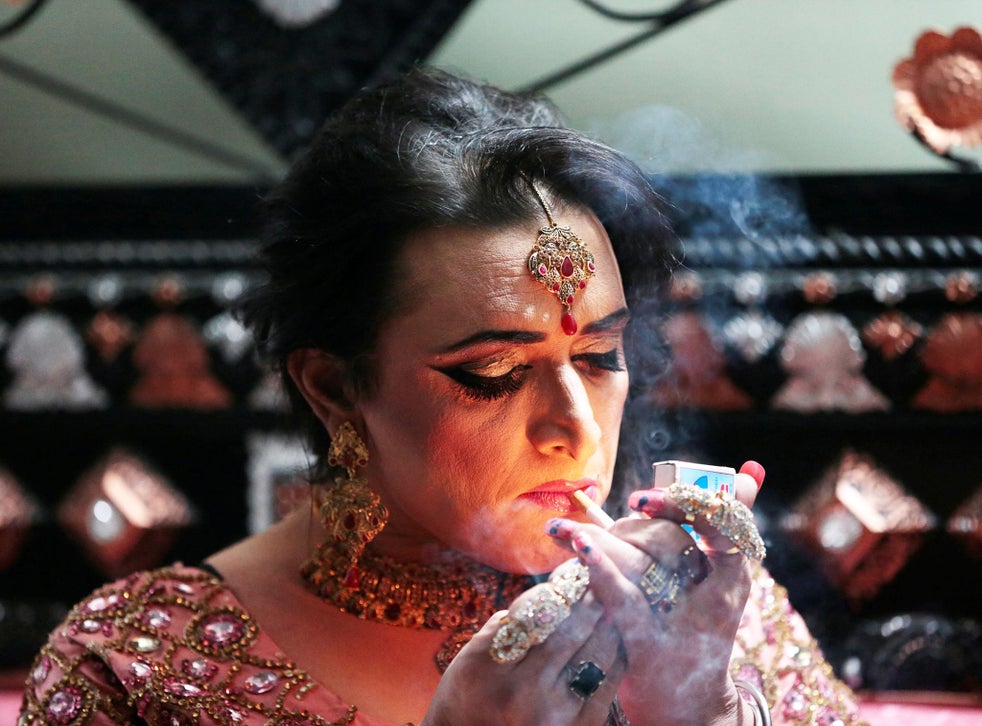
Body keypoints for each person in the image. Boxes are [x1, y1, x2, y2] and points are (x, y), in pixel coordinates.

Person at [19, 68, 865, 726]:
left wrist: (707, 713)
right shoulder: (134, 665)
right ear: (334, 388)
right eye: (492, 374)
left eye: (600, 356)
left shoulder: (708, 623)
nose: (575, 429)